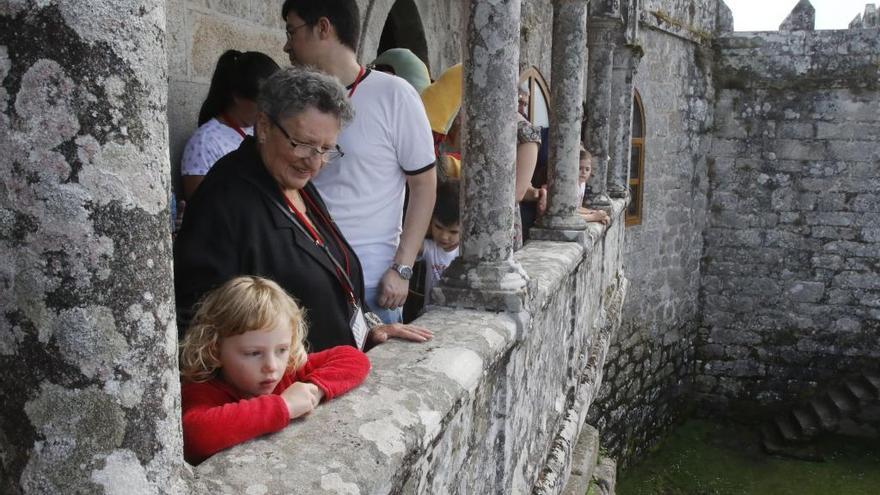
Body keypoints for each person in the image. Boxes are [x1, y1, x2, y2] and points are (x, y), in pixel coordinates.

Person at [174, 67, 432, 351]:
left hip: (331, 371)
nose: (315, 162)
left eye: (326, 149)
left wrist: (369, 328)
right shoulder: (225, 197)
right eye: (303, 144)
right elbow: (200, 320)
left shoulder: (294, 182)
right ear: (263, 127)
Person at [281, 0, 437, 324]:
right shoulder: (295, 101)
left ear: (323, 27)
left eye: (291, 31)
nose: (286, 45)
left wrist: (402, 268)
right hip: (304, 276)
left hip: (372, 284)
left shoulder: (395, 95)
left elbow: (423, 186)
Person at [179, 276, 370, 464]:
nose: (272, 365)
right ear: (215, 349)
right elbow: (195, 435)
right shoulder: (202, 390)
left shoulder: (289, 371)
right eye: (253, 353)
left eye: (282, 349)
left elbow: (354, 358)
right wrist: (284, 406)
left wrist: (313, 389)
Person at [180, 50, 280, 199]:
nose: (271, 110)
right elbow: (200, 208)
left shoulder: (267, 129)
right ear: (238, 97)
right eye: (263, 103)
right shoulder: (205, 142)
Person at [421, 180, 460, 307]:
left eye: (453, 232)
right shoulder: (430, 248)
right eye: (438, 227)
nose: (444, 236)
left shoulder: (468, 253)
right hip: (429, 313)